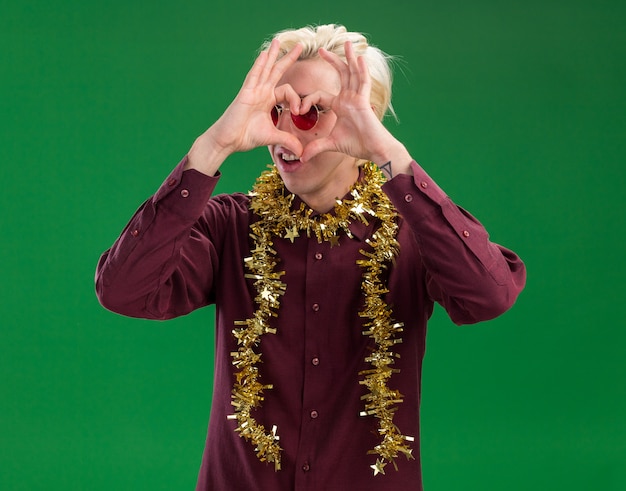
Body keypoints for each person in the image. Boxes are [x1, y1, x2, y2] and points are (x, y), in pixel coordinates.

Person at [95, 24, 526, 491]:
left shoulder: (414, 231)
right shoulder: (228, 225)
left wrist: (388, 153)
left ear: (367, 118)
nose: (286, 130)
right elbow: (123, 291)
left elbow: (489, 295)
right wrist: (213, 146)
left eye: (314, 111)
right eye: (276, 109)